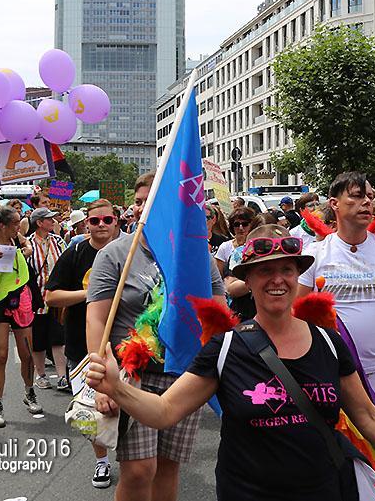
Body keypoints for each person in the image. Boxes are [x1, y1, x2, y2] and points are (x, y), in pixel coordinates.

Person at [85, 224, 375, 501]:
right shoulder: (225, 348)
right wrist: (116, 387)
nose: (277, 279)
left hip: (323, 490)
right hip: (249, 493)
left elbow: (370, 416)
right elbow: (165, 410)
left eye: (287, 270)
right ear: (247, 280)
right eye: (265, 270)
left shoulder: (328, 342)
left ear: (299, 276)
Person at [85, 171, 226, 501]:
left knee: (167, 466)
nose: (142, 208)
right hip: (132, 375)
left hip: (183, 375)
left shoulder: (195, 255)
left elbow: (218, 310)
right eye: (137, 202)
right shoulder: (115, 254)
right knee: (138, 469)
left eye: (151, 201)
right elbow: (96, 318)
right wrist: (103, 378)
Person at [297, 172, 375, 405]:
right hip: (329, 371)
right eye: (357, 196)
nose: (367, 202)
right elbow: (297, 314)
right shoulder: (314, 255)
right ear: (334, 204)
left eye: (369, 197)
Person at [44, 199, 119, 488]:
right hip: (81, 346)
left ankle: (128, 455)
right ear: (86, 223)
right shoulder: (75, 252)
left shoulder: (128, 250)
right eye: (95, 221)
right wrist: (89, 294)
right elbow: (51, 297)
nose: (101, 226)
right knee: (90, 411)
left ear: (116, 222)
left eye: (107, 220)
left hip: (127, 346)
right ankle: (101, 461)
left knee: (124, 408)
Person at [0, 205, 44, 427]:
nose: (19, 226)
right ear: (2, 225)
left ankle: (29, 392)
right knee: (0, 355)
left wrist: (27, 248)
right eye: (15, 223)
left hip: (19, 301)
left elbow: (27, 244)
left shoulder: (17, 238)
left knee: (27, 353)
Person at [27, 207, 68, 392]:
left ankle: (62, 377)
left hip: (57, 298)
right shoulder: (28, 244)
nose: (53, 221)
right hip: (36, 299)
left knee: (58, 337)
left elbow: (66, 264)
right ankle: (41, 375)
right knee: (38, 340)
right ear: (39, 222)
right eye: (49, 219)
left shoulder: (58, 241)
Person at [216, 207, 256, 320]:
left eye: (245, 224)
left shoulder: (259, 246)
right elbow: (219, 278)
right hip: (236, 305)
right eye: (236, 224)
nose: (241, 228)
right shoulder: (226, 248)